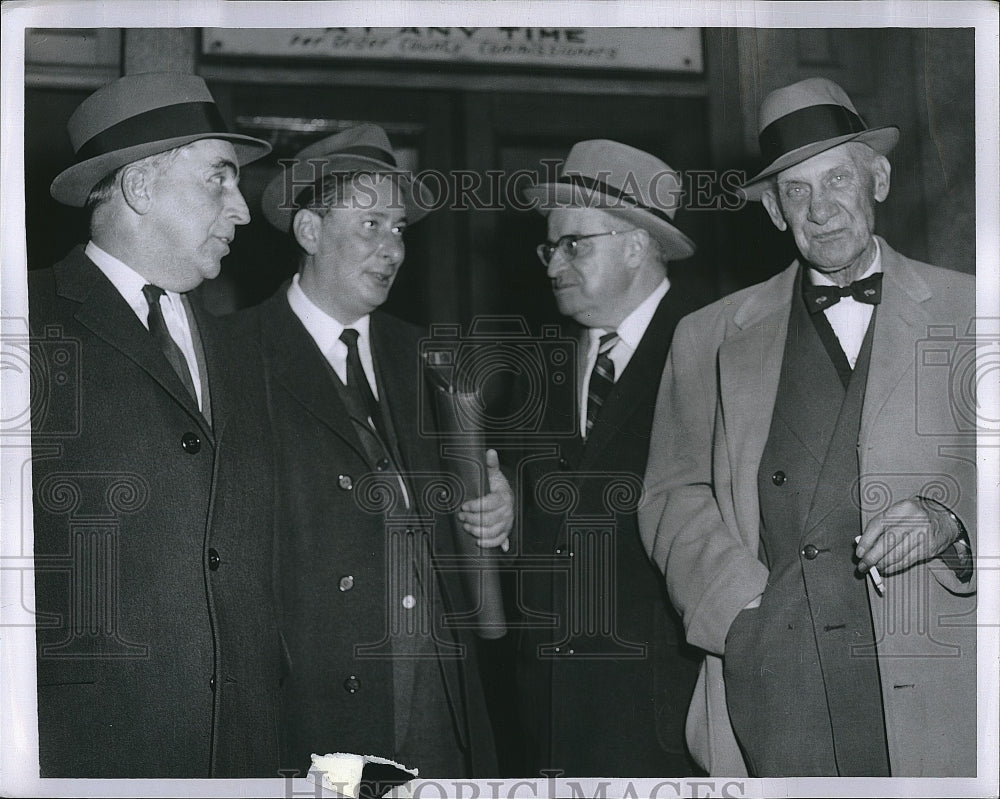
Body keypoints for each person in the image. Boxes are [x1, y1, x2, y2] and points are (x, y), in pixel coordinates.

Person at [639, 77, 976, 777]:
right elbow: (672, 495)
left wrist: (951, 516)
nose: (821, 210)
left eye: (838, 179)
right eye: (796, 191)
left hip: (939, 680)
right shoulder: (708, 337)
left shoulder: (971, 308)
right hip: (776, 686)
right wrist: (741, 612)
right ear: (772, 209)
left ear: (877, 179)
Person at [226, 124, 511, 778]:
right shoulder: (235, 358)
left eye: (401, 228)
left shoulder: (426, 358)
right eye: (372, 224)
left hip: (440, 702)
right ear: (309, 231)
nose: (393, 249)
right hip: (316, 713)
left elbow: (468, 513)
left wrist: (499, 511)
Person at [29, 72, 282, 777]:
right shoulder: (23, 322)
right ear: (140, 186)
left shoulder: (237, 345)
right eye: (218, 180)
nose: (242, 210)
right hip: (90, 751)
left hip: (244, 748)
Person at [511, 140, 704, 777]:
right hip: (547, 718)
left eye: (574, 244)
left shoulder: (715, 347)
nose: (551, 266)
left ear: (635, 244)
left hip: (662, 719)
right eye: (549, 247)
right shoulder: (539, 368)